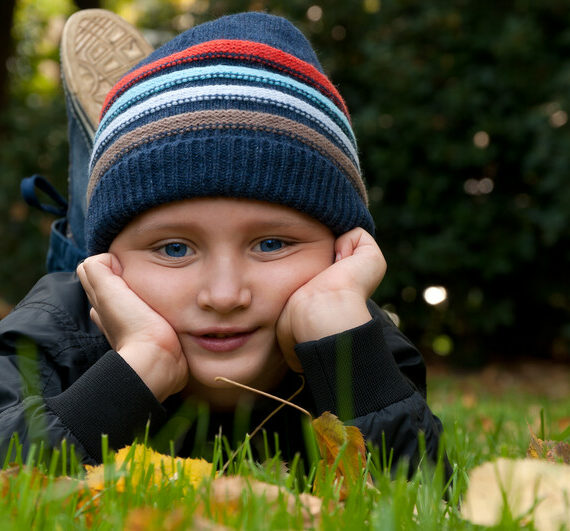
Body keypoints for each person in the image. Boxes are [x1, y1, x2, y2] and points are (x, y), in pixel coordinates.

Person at [0, 10, 448, 478]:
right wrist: (135, 368)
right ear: (110, 265)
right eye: (175, 248)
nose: (224, 295)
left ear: (340, 252)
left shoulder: (351, 329)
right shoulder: (56, 325)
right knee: (84, 236)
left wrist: (350, 363)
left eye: (272, 243)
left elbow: (420, 492)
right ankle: (87, 213)